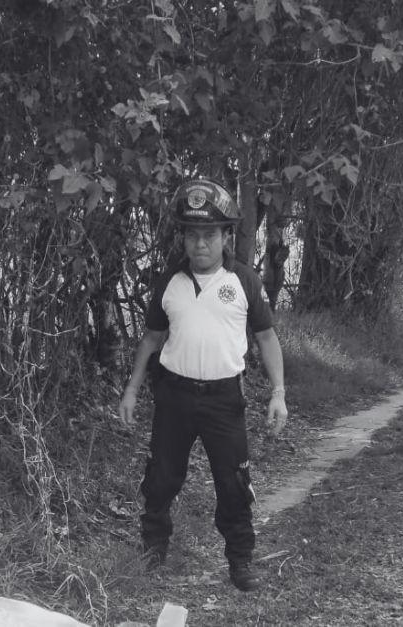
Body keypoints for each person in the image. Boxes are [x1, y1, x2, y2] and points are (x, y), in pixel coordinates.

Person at [118, 179, 288, 592]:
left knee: (234, 483)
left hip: (223, 401)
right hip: (173, 396)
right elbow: (152, 339)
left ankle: (240, 560)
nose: (200, 245)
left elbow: (267, 338)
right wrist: (132, 389)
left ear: (226, 236)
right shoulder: (169, 283)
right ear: (183, 239)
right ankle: (153, 550)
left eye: (209, 234)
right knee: (161, 478)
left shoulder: (244, 282)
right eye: (192, 235)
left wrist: (279, 394)